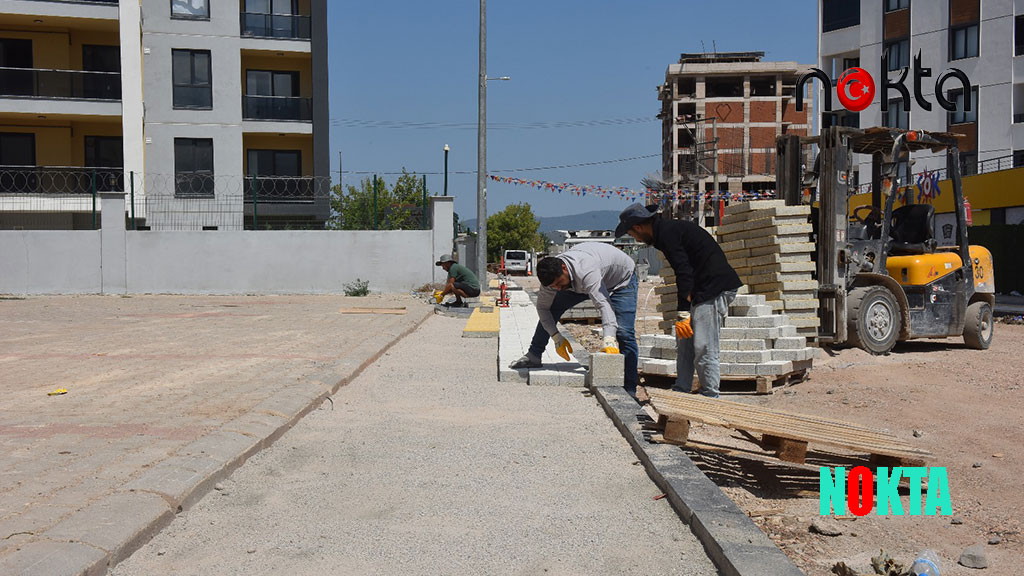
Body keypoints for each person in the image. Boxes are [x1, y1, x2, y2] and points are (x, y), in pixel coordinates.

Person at [616, 203, 742, 398]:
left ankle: (711, 396)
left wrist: (683, 311)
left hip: (715, 288)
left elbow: (684, 272)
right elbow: (685, 273)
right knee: (684, 342)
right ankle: (681, 390)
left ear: (639, 227)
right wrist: (683, 312)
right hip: (701, 289)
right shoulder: (664, 232)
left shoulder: (667, 233)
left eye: (633, 235)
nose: (636, 239)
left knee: (703, 346)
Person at [508, 242, 640, 394]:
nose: (557, 288)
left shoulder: (586, 270)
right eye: (553, 286)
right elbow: (543, 309)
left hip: (621, 280)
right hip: (577, 282)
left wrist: (609, 337)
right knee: (552, 308)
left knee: (624, 331)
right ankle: (533, 355)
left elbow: (604, 304)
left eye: (558, 283)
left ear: (564, 268)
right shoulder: (552, 280)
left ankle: (629, 389)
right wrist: (556, 337)